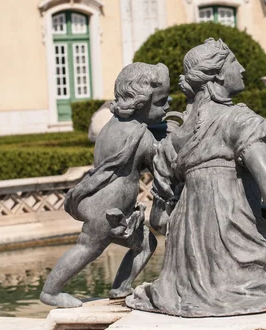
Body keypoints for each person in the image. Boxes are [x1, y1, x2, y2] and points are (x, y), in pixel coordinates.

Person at [126, 38, 266, 317]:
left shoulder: (172, 141)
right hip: (239, 256)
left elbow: (160, 222)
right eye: (234, 62)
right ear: (217, 73)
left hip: (183, 278)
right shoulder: (239, 122)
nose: (242, 69)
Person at [40, 63, 170, 308]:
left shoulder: (110, 127)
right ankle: (51, 291)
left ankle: (120, 288)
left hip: (103, 203)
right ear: (142, 101)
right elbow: (162, 166)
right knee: (87, 248)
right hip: (108, 211)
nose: (168, 106)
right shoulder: (140, 136)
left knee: (145, 244)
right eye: (162, 102)